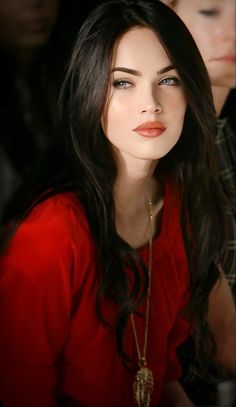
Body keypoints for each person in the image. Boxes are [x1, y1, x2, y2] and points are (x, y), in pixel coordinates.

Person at [0, 1, 235, 406]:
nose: (152, 103)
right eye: (123, 83)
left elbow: (160, 377)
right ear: (91, 93)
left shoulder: (175, 204)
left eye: (170, 79)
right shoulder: (50, 236)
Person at [160, 0, 236, 404]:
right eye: (210, 11)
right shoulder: (162, 150)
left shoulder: (220, 132)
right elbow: (223, 343)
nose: (232, 30)